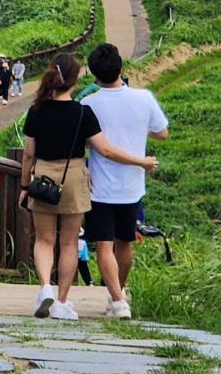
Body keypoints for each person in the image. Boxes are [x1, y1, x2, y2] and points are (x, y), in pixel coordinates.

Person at [20, 52, 157, 320]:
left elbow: (27, 154)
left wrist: (25, 186)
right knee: (70, 243)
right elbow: (103, 149)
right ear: (74, 81)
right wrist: (141, 161)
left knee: (44, 240)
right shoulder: (83, 111)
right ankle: (61, 302)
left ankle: (46, 286)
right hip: (73, 177)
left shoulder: (35, 110)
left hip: (44, 176)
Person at [82, 43, 169, 320]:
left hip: (100, 186)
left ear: (94, 76)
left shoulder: (88, 103)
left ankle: (118, 301)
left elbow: (87, 143)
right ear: (122, 69)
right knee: (124, 244)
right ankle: (117, 295)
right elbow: (162, 132)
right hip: (133, 186)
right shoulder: (144, 98)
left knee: (104, 245)